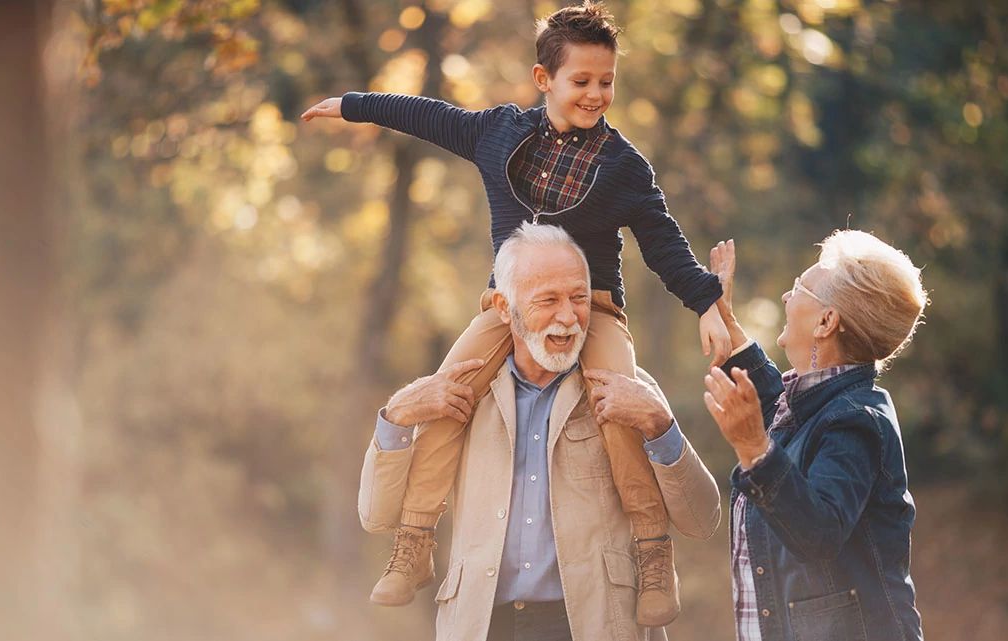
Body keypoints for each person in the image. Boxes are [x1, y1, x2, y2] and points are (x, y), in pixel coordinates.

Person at [302, 2, 728, 624]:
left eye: (606, 81)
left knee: (618, 405)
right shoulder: (498, 133)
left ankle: (652, 552)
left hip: (595, 310)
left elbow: (664, 244)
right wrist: (354, 103)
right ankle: (415, 540)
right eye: (581, 81)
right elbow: (425, 115)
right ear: (543, 80)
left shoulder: (624, 167)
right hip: (508, 310)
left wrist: (707, 301)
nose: (596, 94)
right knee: (448, 397)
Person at [358, 223, 721, 641]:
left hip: (593, 625)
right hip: (481, 626)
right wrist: (397, 416)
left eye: (579, 298)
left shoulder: (627, 388)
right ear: (502, 306)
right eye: (548, 300)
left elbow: (701, 519)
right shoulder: (463, 396)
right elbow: (375, 514)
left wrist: (661, 425)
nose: (568, 317)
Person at [701, 232, 927, 641]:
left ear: (826, 321)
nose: (787, 297)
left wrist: (754, 447)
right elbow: (774, 400)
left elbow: (819, 531)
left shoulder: (856, 421)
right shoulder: (814, 406)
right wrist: (726, 318)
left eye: (799, 288)